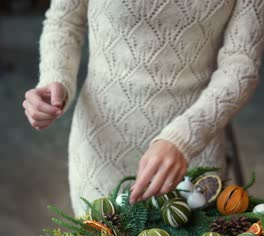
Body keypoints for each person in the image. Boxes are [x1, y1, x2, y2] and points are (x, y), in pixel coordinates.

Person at [23, 0, 264, 216]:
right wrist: (55, 78)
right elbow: (65, 21)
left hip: (193, 148)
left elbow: (240, 65)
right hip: (103, 148)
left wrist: (184, 138)